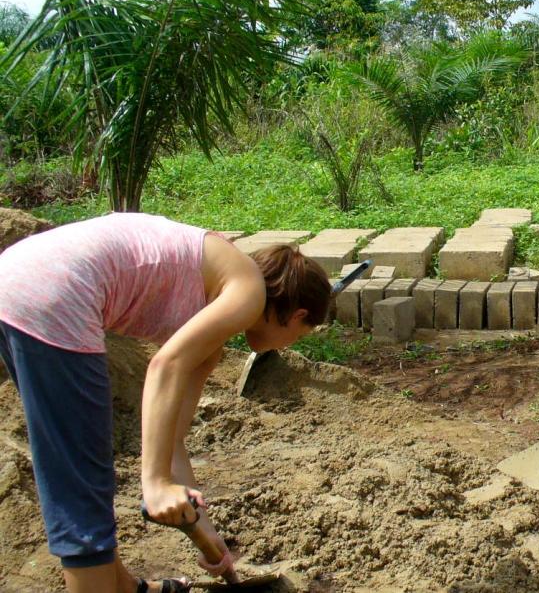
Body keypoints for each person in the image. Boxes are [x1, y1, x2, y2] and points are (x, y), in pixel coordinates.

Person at [0, 213, 331, 593]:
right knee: (81, 488)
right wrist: (155, 482)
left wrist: (204, 530)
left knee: (78, 464)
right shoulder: (247, 291)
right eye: (300, 335)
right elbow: (165, 365)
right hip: (55, 295)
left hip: (16, 279)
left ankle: (123, 587)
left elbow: (171, 438)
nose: (289, 345)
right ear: (299, 315)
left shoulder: (215, 307)